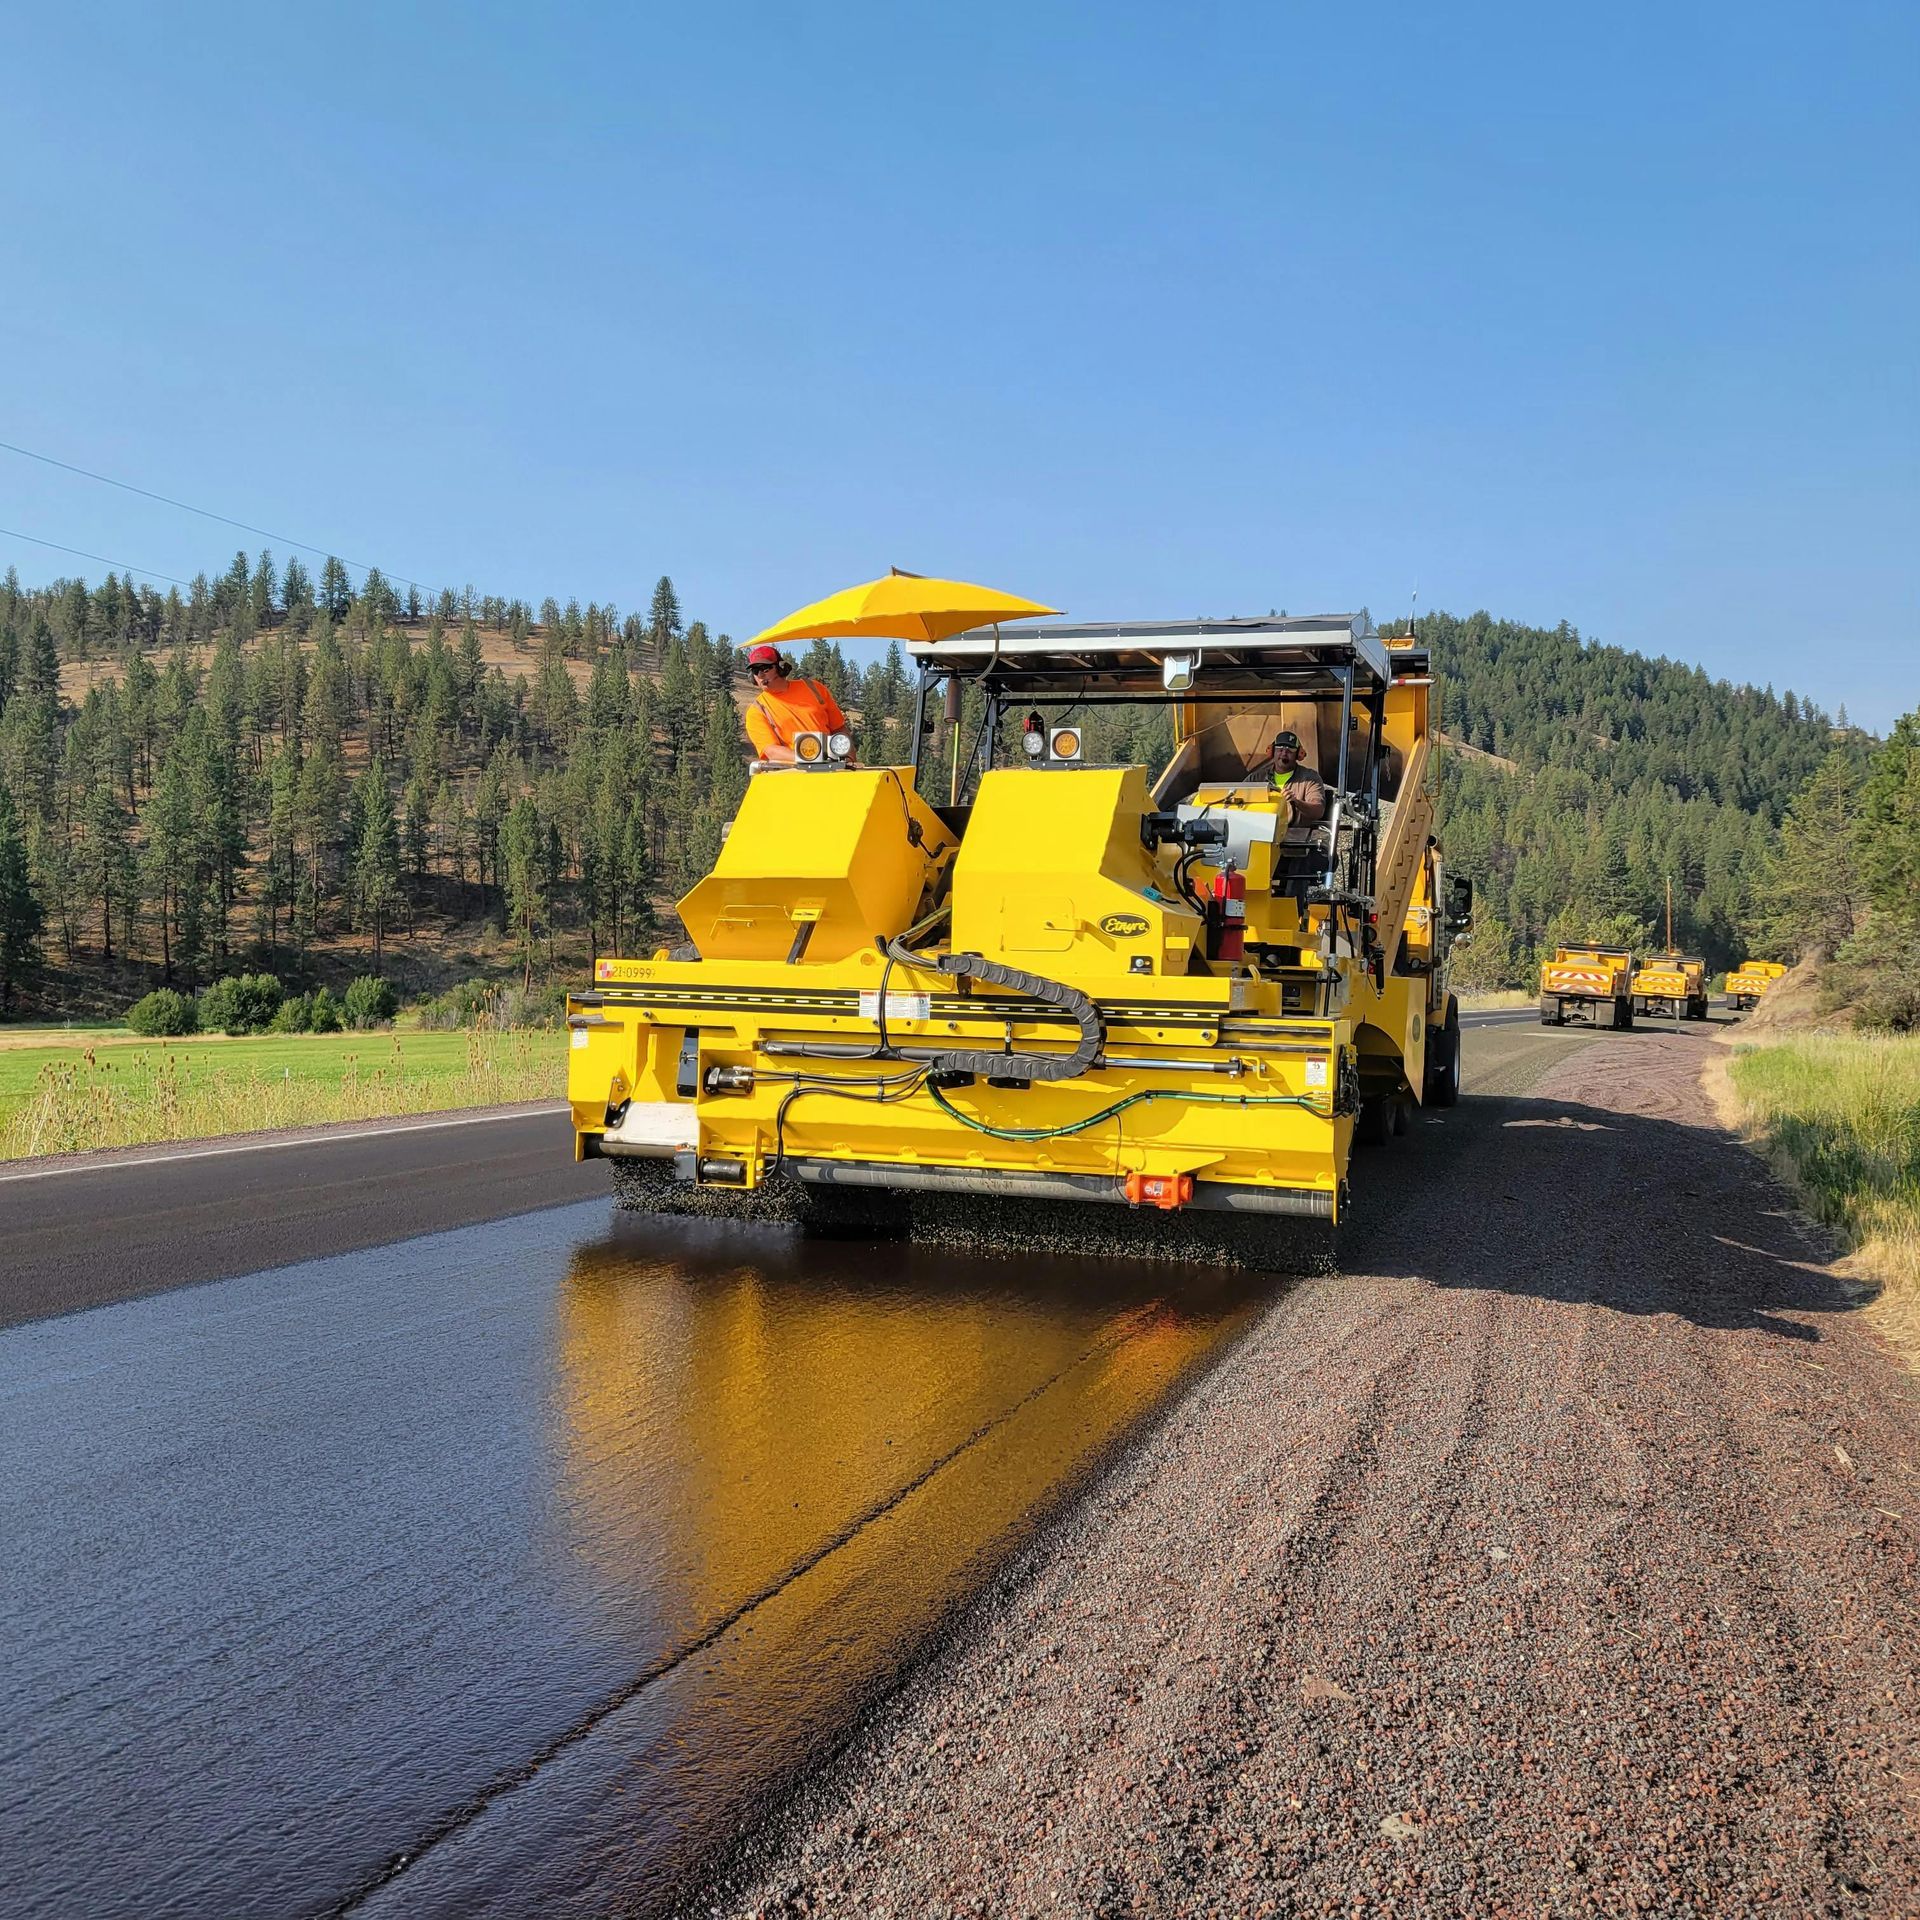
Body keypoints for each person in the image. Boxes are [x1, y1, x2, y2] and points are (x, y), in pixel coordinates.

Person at [741, 644, 855, 763]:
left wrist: (849, 759)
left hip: (831, 770)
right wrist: (813, 758)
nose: (760, 675)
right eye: (755, 671)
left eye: (765, 669)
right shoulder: (757, 710)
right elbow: (771, 751)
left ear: (781, 668)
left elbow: (839, 729)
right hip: (793, 775)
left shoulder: (814, 688)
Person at [1263, 728, 1327, 826]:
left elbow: (1318, 811)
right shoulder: (1255, 778)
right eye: (1280, 749)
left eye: (1290, 750)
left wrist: (1296, 802)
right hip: (1261, 833)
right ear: (1272, 752)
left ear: (1298, 754)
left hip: (1296, 836)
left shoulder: (1310, 778)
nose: (1284, 753)